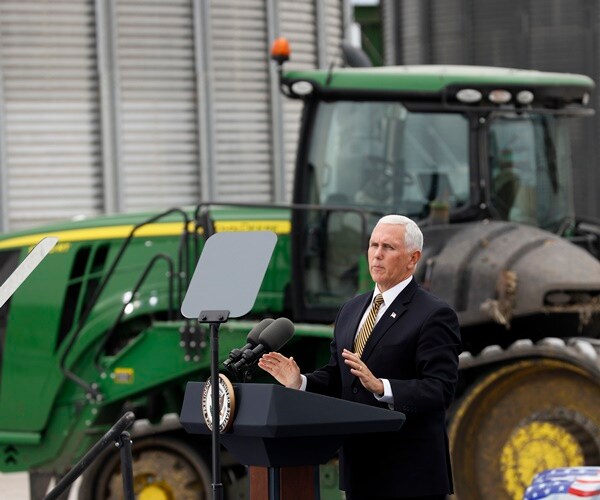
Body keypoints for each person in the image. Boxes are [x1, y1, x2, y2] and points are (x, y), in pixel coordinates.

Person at [258, 214, 461, 500]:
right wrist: (300, 381)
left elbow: (440, 389)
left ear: (413, 259)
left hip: (410, 475)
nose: (377, 254)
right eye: (373, 245)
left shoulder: (433, 314)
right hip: (359, 469)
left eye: (388, 248)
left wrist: (383, 387)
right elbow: (338, 376)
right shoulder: (350, 310)